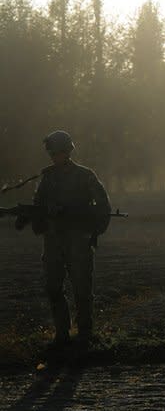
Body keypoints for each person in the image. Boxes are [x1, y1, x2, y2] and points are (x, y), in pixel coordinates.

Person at [16, 130, 111, 346]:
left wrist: (93, 230)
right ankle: (62, 332)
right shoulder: (48, 177)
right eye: (52, 153)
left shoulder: (85, 175)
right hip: (53, 240)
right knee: (53, 287)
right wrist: (27, 216)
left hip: (78, 239)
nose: (54, 157)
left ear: (67, 151)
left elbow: (103, 206)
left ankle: (85, 333)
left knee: (82, 288)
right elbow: (38, 204)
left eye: (57, 152)